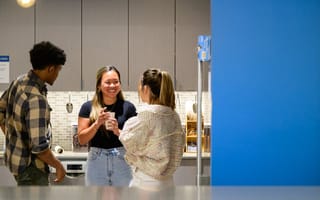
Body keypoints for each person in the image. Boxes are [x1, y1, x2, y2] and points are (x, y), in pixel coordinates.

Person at [0, 41, 66, 185]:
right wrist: (59, 166)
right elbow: (40, 147)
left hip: (16, 162)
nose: (57, 74)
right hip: (32, 170)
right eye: (58, 69)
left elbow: (1, 109)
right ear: (50, 68)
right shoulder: (36, 99)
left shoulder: (19, 81)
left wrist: (13, 136)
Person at [118, 68, 185, 191]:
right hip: (168, 182)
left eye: (140, 84)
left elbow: (128, 140)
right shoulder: (173, 115)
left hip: (146, 182)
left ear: (146, 88)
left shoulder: (148, 115)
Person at [77, 65, 137, 186]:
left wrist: (118, 131)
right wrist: (97, 124)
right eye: (108, 82)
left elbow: (135, 140)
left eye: (116, 82)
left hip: (122, 159)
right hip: (96, 160)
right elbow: (82, 139)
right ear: (99, 85)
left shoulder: (128, 108)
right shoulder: (87, 107)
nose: (112, 86)